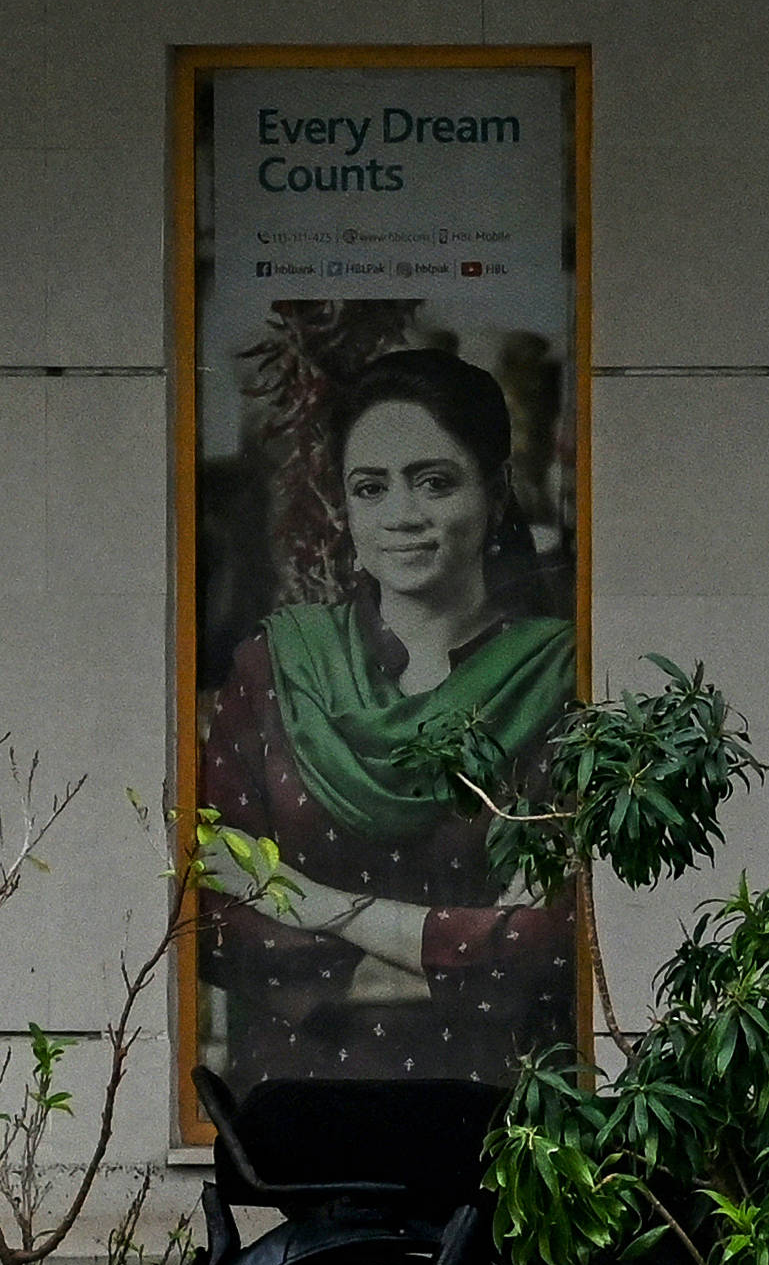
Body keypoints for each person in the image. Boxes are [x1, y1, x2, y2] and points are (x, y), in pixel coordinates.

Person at [198, 346, 577, 1086]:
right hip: (299, 1103)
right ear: (344, 506)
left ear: (494, 495)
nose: (401, 515)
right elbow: (216, 916)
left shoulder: (558, 677)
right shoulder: (278, 667)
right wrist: (447, 955)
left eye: (433, 482)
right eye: (370, 488)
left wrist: (315, 905)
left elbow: (547, 940)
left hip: (506, 1108)